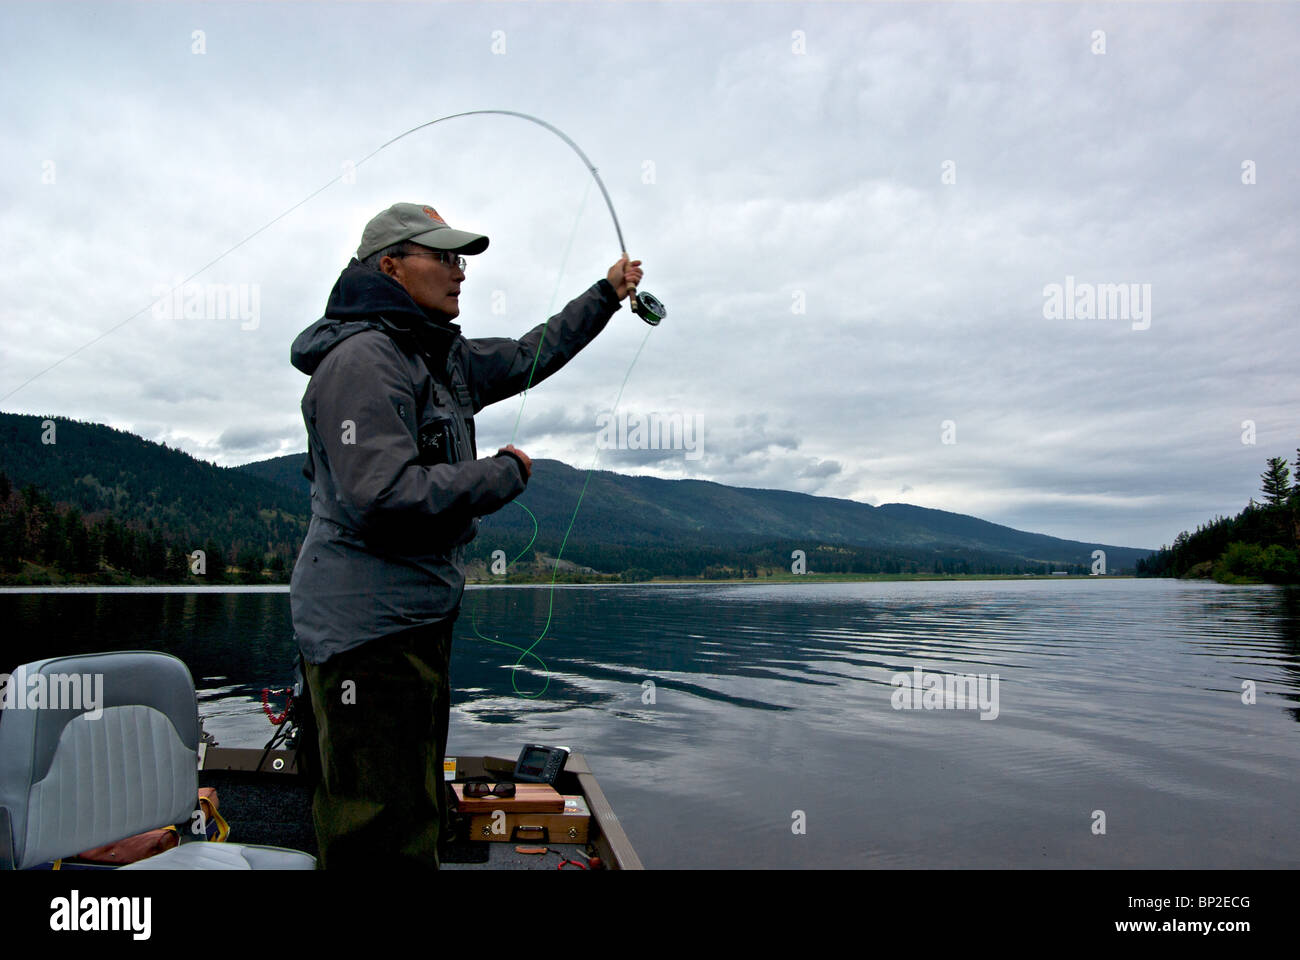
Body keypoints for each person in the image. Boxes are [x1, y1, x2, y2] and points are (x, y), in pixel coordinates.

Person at [287, 201, 642, 868]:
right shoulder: (365, 361)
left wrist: (606, 294)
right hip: (367, 636)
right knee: (378, 832)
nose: (460, 272)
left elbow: (531, 353)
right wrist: (501, 474)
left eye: (462, 259)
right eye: (444, 257)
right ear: (391, 266)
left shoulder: (436, 358)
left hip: (411, 622)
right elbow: (381, 496)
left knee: (411, 808)